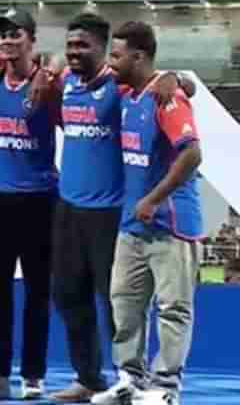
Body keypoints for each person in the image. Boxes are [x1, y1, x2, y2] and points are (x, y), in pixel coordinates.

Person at [30, 14, 188, 403]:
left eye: (83, 46)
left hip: (110, 211)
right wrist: (46, 70)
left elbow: (162, 84)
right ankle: (89, 378)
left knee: (118, 303)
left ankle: (129, 378)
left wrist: (177, 78)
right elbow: (46, 69)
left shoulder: (120, 89)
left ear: (105, 51)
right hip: (68, 207)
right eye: (71, 46)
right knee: (68, 296)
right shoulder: (65, 83)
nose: (74, 52)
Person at [93, 22, 203, 405]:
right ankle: (129, 379)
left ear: (138, 58)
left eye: (117, 56)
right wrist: (179, 74)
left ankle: (166, 388)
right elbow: (75, 65)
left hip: (171, 224)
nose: (111, 62)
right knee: (124, 305)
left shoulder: (166, 99)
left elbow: (192, 154)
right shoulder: (127, 91)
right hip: (131, 226)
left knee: (172, 309)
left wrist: (154, 198)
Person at [0, 8, 58, 400]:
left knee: (38, 293)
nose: (8, 41)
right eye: (3, 35)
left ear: (31, 40)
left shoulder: (49, 86)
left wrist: (48, 69)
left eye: (15, 35)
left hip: (40, 200)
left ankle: (33, 377)